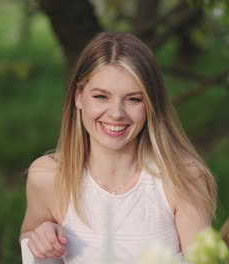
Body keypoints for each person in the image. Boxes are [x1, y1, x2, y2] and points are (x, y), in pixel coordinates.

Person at [19, 32, 217, 264]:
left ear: (151, 105)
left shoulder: (183, 177)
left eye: (133, 99)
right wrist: (41, 237)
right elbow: (30, 239)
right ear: (78, 97)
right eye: (101, 96)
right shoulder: (47, 177)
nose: (116, 113)